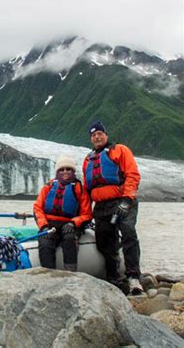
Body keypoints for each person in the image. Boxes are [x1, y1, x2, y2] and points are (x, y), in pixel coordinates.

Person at [82, 120, 143, 294]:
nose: (97, 136)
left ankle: (133, 278)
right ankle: (113, 278)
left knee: (128, 233)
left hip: (122, 202)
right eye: (93, 135)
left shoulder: (120, 151)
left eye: (100, 133)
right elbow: (87, 190)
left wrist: (127, 200)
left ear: (106, 135)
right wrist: (85, 216)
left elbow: (132, 175)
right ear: (90, 139)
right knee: (104, 242)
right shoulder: (88, 160)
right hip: (101, 206)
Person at [33, 156, 92, 272]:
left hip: (69, 225)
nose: (65, 171)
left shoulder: (79, 189)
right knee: (45, 242)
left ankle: (70, 273)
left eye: (68, 169)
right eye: (62, 169)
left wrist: (73, 223)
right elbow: (37, 208)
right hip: (50, 224)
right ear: (57, 172)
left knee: (70, 238)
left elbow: (87, 214)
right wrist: (44, 226)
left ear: (73, 171)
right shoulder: (48, 187)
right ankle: (48, 273)